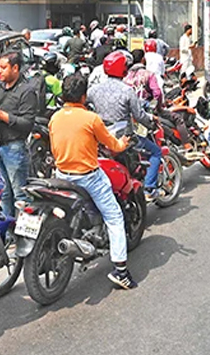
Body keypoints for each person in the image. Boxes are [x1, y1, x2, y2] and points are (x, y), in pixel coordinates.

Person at [49, 74, 136, 289]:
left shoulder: (55, 118)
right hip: (87, 176)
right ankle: (121, 271)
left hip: (61, 175)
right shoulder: (91, 118)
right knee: (115, 218)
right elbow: (113, 146)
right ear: (83, 96)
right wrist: (123, 143)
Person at [89, 51, 163, 202]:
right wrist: (151, 121)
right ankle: (150, 188)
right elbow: (139, 115)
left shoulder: (93, 90)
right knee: (156, 152)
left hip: (101, 138)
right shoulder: (127, 90)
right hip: (124, 137)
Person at [0, 53, 37, 216]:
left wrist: (1, 115)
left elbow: (27, 124)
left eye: (3, 68)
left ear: (15, 68)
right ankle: (7, 235)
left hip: (14, 148)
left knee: (20, 194)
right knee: (4, 193)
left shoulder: (27, 91)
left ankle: (24, 237)